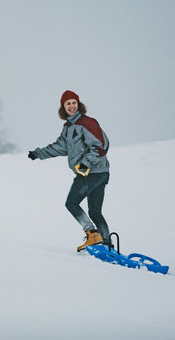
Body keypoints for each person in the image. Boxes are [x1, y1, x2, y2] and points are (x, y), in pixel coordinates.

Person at [28, 90, 111, 252]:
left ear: (78, 104)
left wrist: (86, 163)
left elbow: (100, 145)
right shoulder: (68, 127)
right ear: (63, 107)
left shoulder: (87, 123)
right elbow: (60, 147)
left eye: (74, 102)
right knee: (95, 212)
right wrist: (38, 153)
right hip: (97, 173)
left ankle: (92, 235)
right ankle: (106, 245)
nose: (71, 106)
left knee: (71, 203)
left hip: (91, 172)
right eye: (68, 104)